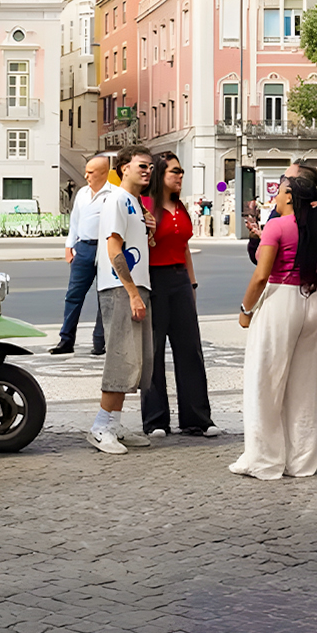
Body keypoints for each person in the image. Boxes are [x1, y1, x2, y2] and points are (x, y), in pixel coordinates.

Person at [229, 173, 317, 480]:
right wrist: (308, 298)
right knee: (305, 386)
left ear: (289, 197)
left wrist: (245, 309)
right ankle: (301, 461)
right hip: (310, 300)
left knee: (265, 381)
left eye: (280, 190)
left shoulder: (276, 226)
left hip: (279, 300)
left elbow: (261, 276)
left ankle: (263, 459)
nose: (274, 195)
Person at [141, 153, 219, 438]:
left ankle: (197, 418)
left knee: (190, 350)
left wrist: (193, 284)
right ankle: (155, 420)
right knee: (154, 352)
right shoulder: (144, 206)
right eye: (174, 171)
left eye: (182, 171)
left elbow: (184, 247)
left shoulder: (180, 207)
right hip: (154, 280)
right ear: (161, 173)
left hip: (180, 280)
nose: (179, 176)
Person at [85, 145, 156, 455]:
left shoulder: (135, 203)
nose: (147, 171)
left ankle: (113, 422)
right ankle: (101, 426)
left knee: (133, 361)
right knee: (120, 357)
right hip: (121, 288)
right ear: (124, 168)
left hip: (136, 287)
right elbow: (114, 249)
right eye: (141, 165)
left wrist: (149, 233)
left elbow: (134, 245)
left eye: (150, 167)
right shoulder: (116, 199)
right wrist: (131, 293)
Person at [53, 154, 111, 356]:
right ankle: (66, 340)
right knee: (73, 296)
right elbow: (75, 222)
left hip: (106, 248)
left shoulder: (114, 194)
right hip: (84, 247)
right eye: (86, 171)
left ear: (103, 173)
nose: (86, 175)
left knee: (104, 296)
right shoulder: (82, 194)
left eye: (91, 172)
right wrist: (69, 246)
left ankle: (100, 341)